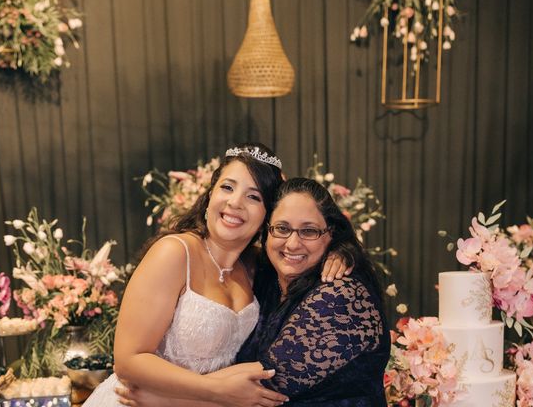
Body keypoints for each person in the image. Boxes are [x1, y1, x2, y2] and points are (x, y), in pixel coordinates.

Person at [85, 144, 349, 407]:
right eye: (227, 187)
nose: (235, 202)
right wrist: (217, 390)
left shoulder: (255, 265)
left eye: (253, 197)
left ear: (267, 214)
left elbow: (305, 247)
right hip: (139, 401)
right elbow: (128, 360)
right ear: (211, 193)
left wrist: (340, 252)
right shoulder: (175, 253)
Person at [117, 177, 389, 406]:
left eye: (309, 231)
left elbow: (262, 388)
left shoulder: (340, 296)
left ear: (331, 234)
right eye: (282, 228)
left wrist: (162, 399)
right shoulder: (265, 278)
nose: (293, 243)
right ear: (265, 231)